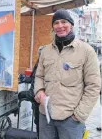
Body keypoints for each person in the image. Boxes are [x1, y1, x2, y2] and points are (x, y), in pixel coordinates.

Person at [34, 9, 101, 139]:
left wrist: (79, 115)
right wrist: (39, 91)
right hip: (45, 116)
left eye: (64, 22)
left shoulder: (86, 51)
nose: (60, 26)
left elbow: (93, 86)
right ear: (53, 27)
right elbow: (39, 76)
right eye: (56, 23)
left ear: (71, 24)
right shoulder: (45, 51)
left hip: (70, 120)